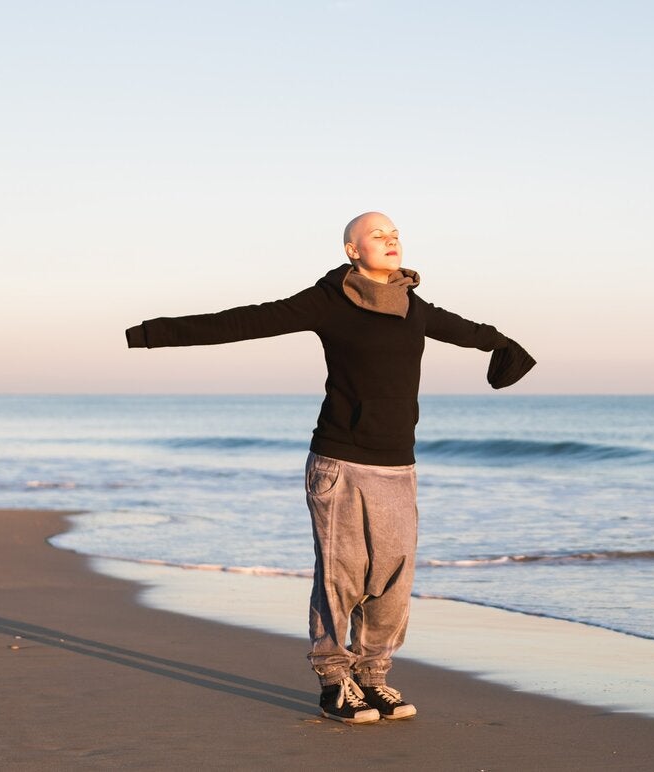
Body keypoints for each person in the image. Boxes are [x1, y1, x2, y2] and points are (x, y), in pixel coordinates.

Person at [124, 212, 535, 724]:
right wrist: (149, 334)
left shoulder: (414, 306)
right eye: (377, 235)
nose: (391, 239)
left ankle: (372, 676)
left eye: (395, 233)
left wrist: (504, 345)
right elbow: (247, 320)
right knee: (341, 576)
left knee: (393, 579)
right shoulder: (329, 300)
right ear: (352, 250)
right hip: (340, 461)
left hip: (397, 466)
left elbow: (471, 331)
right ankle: (333, 681)